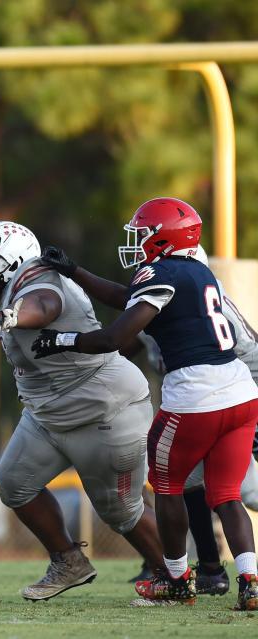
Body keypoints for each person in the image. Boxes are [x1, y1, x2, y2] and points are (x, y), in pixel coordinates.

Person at [34, 197, 258, 609]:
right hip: (241, 395)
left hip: (197, 396)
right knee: (227, 495)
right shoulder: (199, 273)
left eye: (144, 233)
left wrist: (61, 341)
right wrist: (75, 271)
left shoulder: (163, 272)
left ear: (163, 237)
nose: (139, 242)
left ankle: (175, 581)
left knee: (167, 487)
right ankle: (250, 582)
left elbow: (115, 338)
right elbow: (127, 297)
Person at [0, 221, 165, 601]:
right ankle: (69, 561)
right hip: (47, 413)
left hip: (103, 411)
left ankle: (173, 576)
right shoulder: (15, 289)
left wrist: (5, 318)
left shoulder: (40, 283)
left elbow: (43, 306)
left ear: (12, 262)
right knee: (15, 484)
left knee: (120, 511)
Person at [121, 245, 258, 595]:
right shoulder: (160, 298)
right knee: (201, 486)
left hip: (223, 399)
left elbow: (252, 350)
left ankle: (179, 579)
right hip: (213, 404)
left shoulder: (198, 301)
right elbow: (123, 341)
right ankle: (220, 572)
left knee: (246, 491)